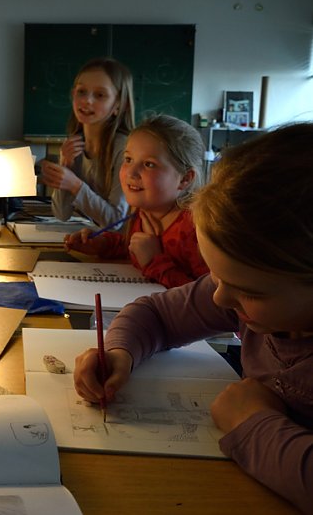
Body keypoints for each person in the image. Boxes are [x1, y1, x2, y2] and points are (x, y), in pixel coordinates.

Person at [72, 123, 313, 512]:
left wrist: (253, 422)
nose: (220, 297)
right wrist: (121, 352)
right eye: (216, 276)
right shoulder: (241, 290)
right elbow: (157, 313)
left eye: (249, 291)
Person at [64, 114, 209, 288]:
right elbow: (132, 246)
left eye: (149, 164)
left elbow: (209, 298)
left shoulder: (196, 229)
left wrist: (154, 262)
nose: (131, 172)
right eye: (128, 159)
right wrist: (101, 245)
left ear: (185, 179)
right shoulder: (143, 212)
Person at [40, 57, 135, 228]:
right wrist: (66, 165)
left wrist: (75, 185)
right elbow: (61, 214)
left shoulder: (126, 150)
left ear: (119, 105)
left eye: (100, 95)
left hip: (122, 249)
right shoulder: (74, 146)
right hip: (91, 243)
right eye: (82, 91)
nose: (87, 100)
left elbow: (114, 221)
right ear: (73, 95)